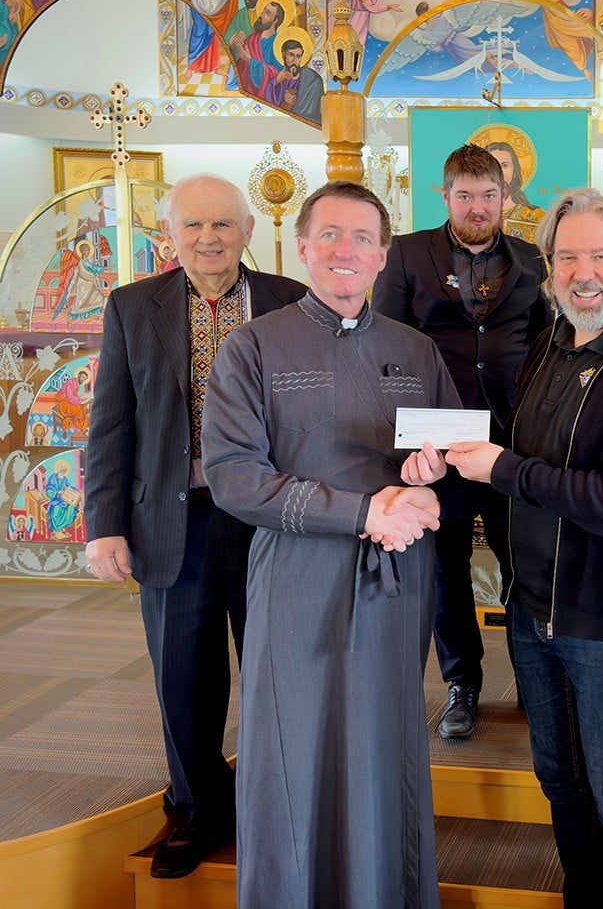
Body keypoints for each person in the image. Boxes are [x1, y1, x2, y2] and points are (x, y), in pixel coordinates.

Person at [202, 181, 456, 908]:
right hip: (297, 575)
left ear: (382, 255)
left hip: (396, 580)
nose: (347, 251)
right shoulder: (254, 346)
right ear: (303, 247)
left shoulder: (414, 349)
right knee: (295, 748)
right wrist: (361, 511)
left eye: (363, 239)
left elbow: (448, 457)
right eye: (332, 236)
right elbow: (234, 478)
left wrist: (428, 477)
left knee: (386, 744)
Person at [446, 189, 603, 908]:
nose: (582, 271)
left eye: (598, 255)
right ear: (550, 267)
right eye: (566, 256)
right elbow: (519, 460)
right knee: (560, 781)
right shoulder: (550, 344)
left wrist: (501, 467)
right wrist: (443, 460)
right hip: (533, 613)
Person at [83, 175, 306, 880]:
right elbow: (110, 423)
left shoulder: (289, 300)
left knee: (280, 670)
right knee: (184, 677)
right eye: (193, 226)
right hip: (172, 519)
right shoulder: (130, 306)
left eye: (222, 224)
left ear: (246, 228)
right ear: (169, 234)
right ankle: (194, 807)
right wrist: (104, 524)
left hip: (269, 518)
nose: (208, 239)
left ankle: (283, 804)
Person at [373, 144, 553, 739]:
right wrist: (402, 441)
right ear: (444, 196)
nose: (478, 207)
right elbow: (388, 344)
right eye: (465, 195)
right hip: (436, 444)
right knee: (446, 567)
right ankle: (463, 684)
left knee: (523, 561)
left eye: (489, 195)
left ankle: (535, 678)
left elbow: (550, 352)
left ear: (505, 196)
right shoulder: (404, 255)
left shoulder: (533, 261)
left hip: (513, 442)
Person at [487, 139, 545, 243]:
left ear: (514, 173)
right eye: (492, 165)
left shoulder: (536, 217)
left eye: (504, 165)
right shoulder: (473, 218)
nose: (499, 172)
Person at [265, 35, 324, 123]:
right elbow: (267, 108)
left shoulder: (313, 81)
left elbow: (313, 115)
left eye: (298, 56)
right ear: (283, 54)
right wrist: (276, 81)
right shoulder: (277, 79)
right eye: (291, 55)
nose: (294, 60)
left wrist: (294, 104)